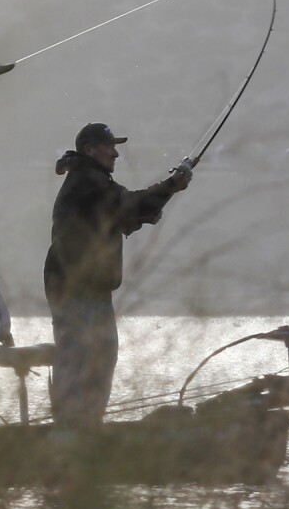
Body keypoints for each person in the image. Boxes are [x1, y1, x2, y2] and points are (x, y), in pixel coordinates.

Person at [43, 121, 192, 427]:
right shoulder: (87, 180)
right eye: (110, 148)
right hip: (74, 287)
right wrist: (172, 185)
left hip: (91, 288)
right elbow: (128, 204)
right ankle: (70, 428)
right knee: (81, 358)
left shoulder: (93, 181)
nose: (115, 154)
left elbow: (120, 217)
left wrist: (144, 214)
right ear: (90, 149)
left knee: (101, 355)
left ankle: (86, 424)